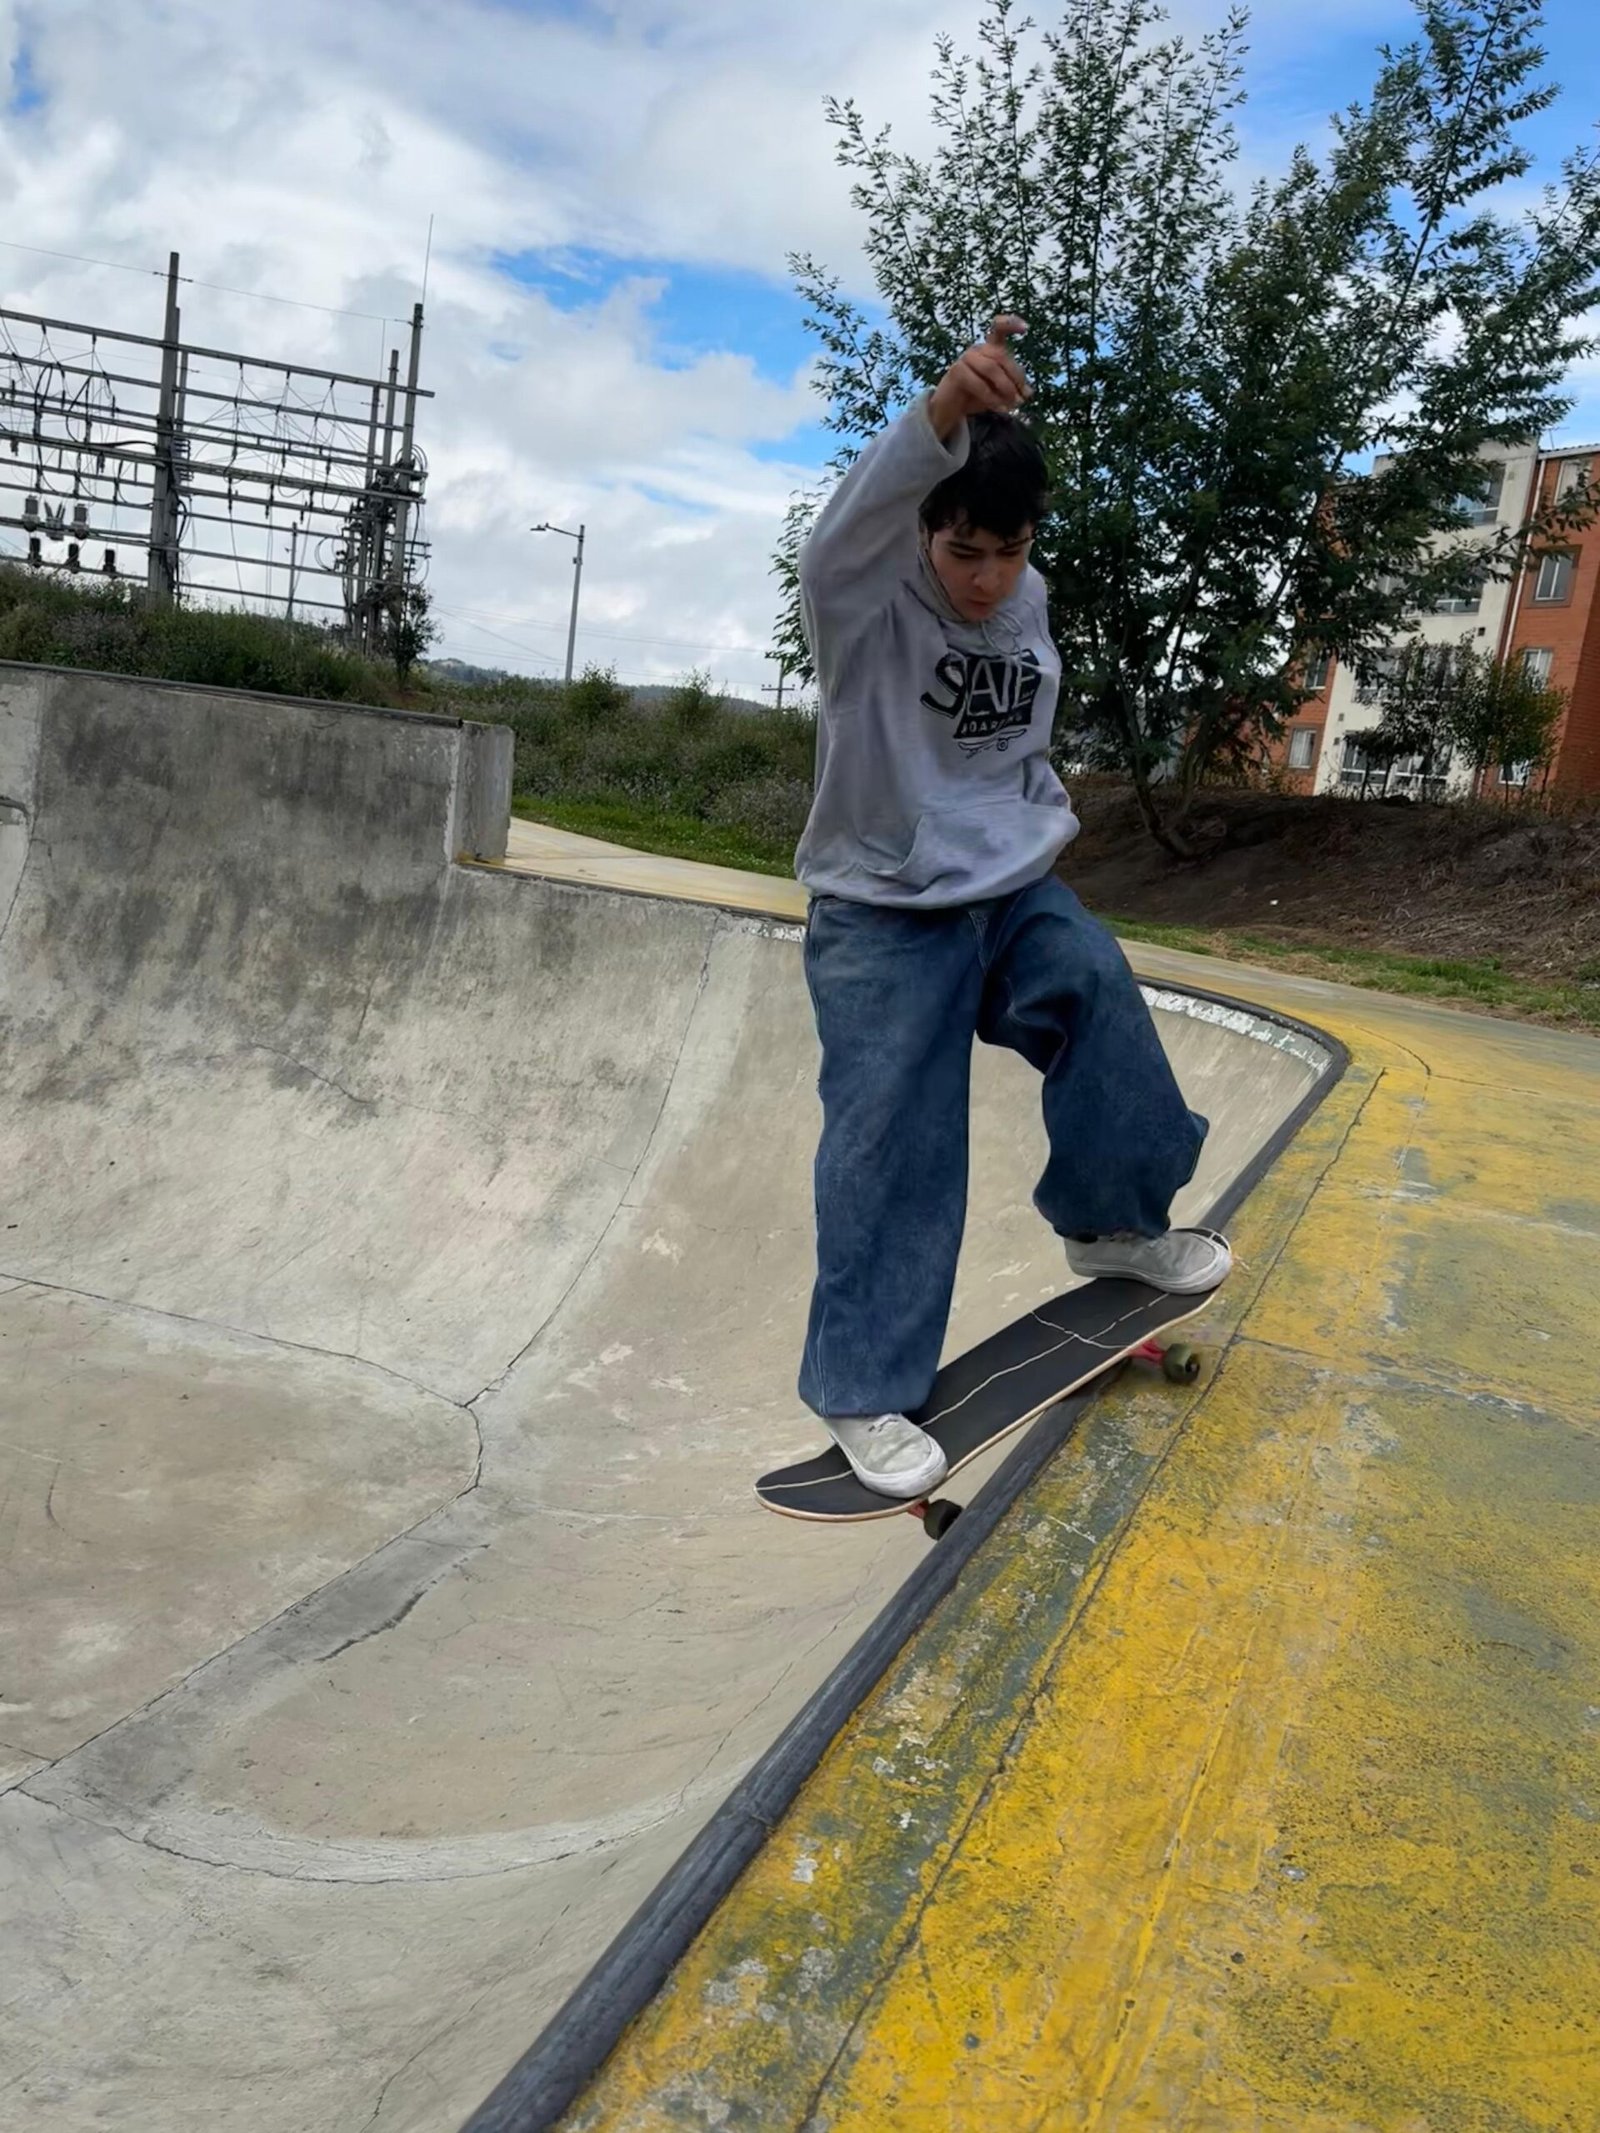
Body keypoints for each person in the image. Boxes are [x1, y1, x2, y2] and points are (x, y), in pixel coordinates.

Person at [792, 315, 1229, 1500]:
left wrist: (1034, 821)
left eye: (1009, 551)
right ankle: (861, 1387)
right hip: (883, 912)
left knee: (1099, 993)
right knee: (896, 1136)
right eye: (964, 552)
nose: (986, 579)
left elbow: (1013, 735)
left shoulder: (1026, 595)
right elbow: (837, 540)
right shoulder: (861, 600)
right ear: (924, 529)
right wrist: (943, 411)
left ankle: (1110, 1226)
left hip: (1011, 890)